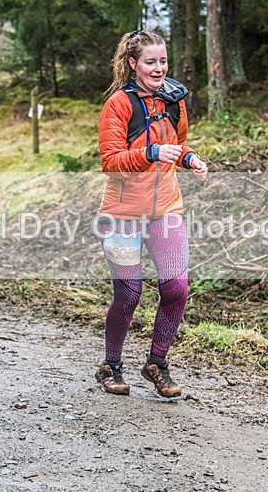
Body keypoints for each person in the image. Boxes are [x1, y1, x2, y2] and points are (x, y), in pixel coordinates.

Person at [93, 30, 208, 398]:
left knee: (177, 288)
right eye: (150, 62)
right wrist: (152, 153)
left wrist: (189, 158)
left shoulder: (175, 99)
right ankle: (110, 365)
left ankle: (157, 363)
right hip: (122, 215)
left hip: (166, 210)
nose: (158, 68)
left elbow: (179, 142)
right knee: (129, 294)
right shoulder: (119, 105)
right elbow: (110, 163)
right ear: (132, 64)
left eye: (162, 61)